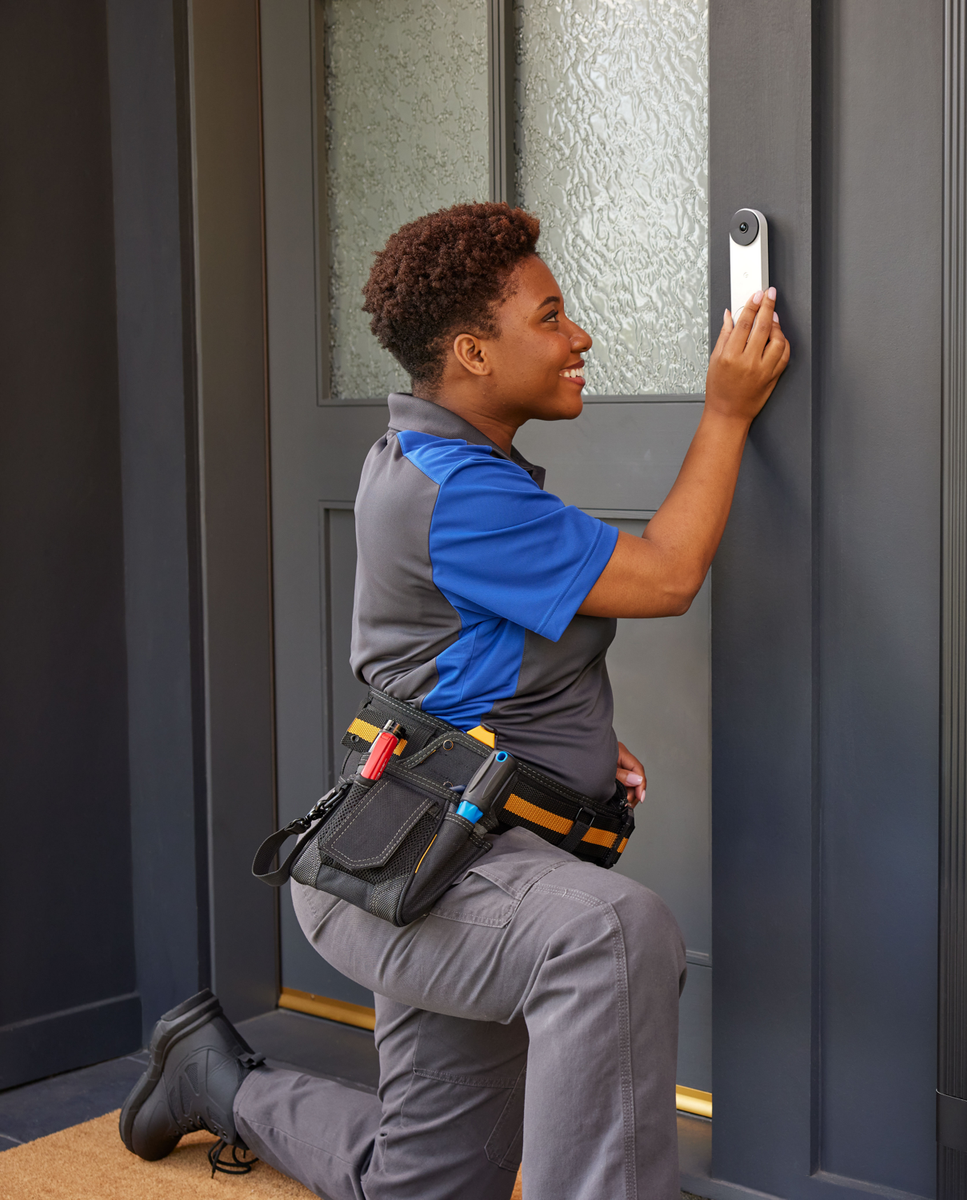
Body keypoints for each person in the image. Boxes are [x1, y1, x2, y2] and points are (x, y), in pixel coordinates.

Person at [119, 202, 789, 1199]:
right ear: (473, 352)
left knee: (424, 1186)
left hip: (451, 852)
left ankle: (215, 1081)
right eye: (552, 316)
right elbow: (666, 576)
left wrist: (575, 748)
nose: (580, 337)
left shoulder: (443, 463)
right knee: (612, 937)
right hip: (423, 874)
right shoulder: (457, 492)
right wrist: (728, 411)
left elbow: (465, 663)